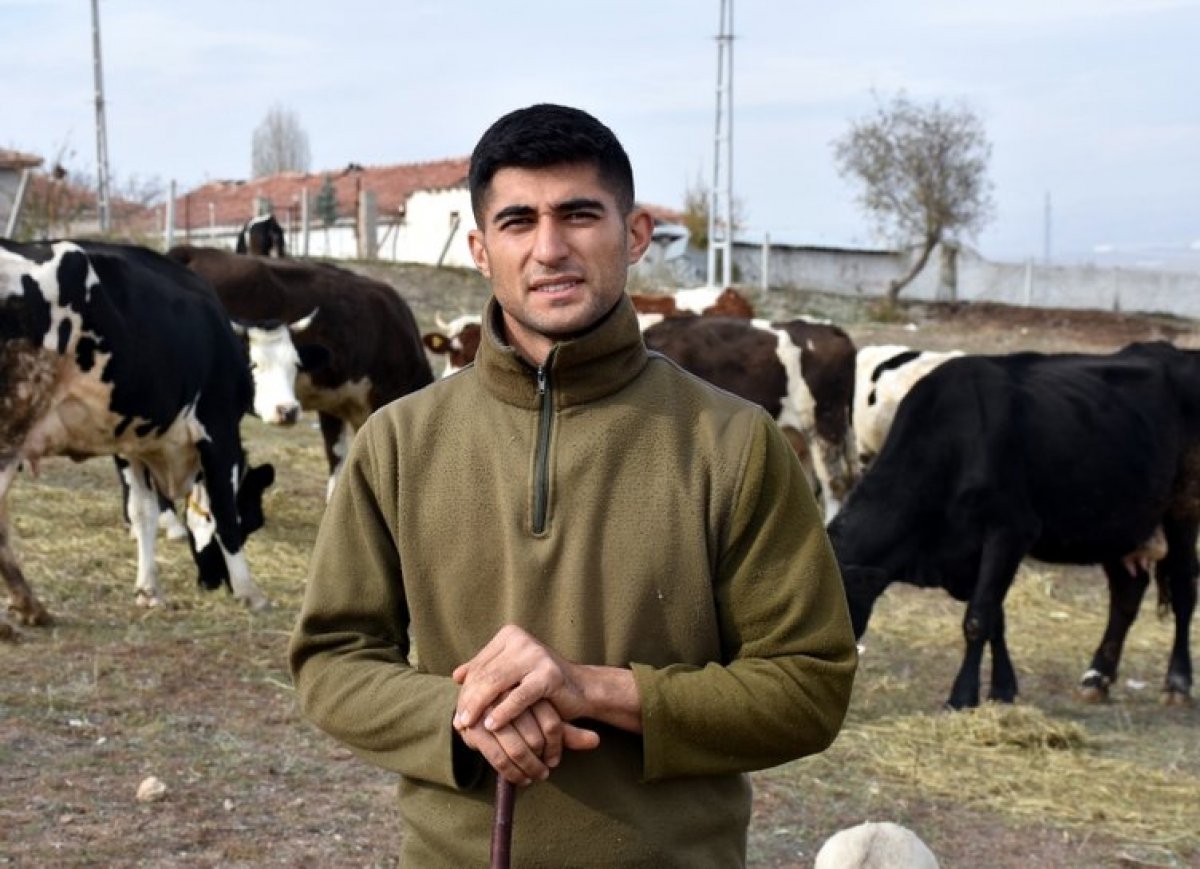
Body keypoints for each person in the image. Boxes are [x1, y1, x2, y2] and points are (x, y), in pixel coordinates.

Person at [289, 103, 857, 867]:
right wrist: (462, 711)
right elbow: (332, 659)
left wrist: (593, 689)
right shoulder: (396, 442)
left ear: (635, 233)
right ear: (480, 250)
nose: (549, 247)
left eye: (579, 214)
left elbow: (808, 687)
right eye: (518, 221)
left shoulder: (733, 442)